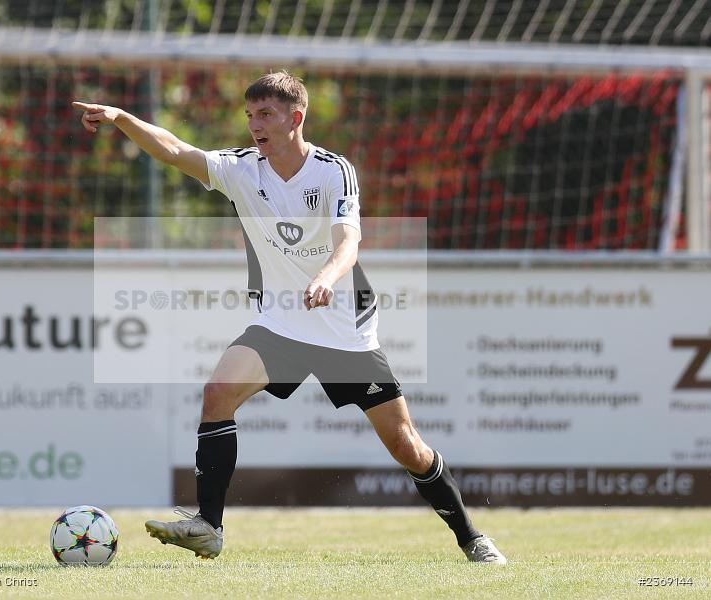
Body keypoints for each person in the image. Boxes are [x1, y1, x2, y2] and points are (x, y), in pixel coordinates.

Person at [72, 71, 506, 564]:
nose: (255, 125)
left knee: (405, 445)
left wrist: (325, 277)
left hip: (344, 325)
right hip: (280, 321)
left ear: (295, 117)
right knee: (217, 394)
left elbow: (349, 241)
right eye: (250, 116)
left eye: (266, 115)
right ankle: (208, 526)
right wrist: (122, 118)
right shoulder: (240, 168)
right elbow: (174, 149)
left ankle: (472, 537)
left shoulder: (332, 171)